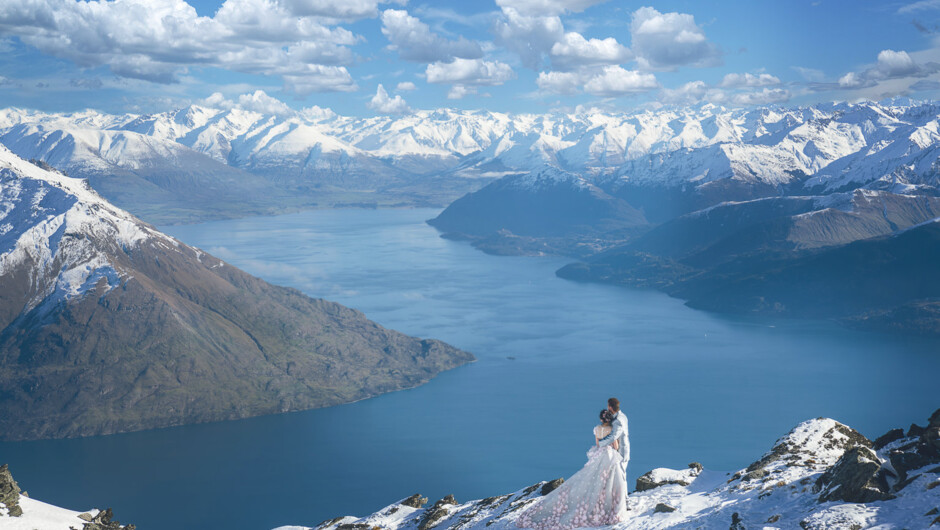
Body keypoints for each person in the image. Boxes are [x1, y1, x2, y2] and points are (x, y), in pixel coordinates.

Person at [515, 407, 628, 529]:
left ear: (601, 419)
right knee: (611, 481)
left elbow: (598, 444)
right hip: (610, 457)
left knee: (595, 479)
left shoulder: (597, 429)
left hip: (600, 455)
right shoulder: (612, 429)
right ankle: (610, 506)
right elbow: (615, 446)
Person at [596, 397, 629, 487]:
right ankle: (623, 498)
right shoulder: (623, 416)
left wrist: (601, 444)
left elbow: (614, 436)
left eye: (608, 406)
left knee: (621, 475)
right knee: (621, 475)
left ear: (610, 407)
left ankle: (624, 499)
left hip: (621, 450)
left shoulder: (618, 420)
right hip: (621, 449)